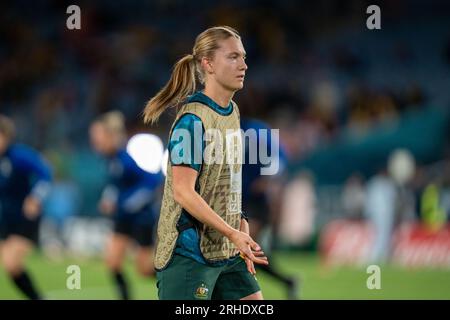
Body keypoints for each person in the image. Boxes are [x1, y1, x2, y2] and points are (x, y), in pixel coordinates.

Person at [143, 26, 268, 300]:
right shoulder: (192, 122)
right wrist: (233, 233)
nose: (244, 65)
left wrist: (241, 226)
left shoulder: (232, 112)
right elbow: (183, 192)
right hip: (189, 253)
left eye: (244, 57)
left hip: (227, 251)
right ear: (208, 64)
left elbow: (228, 182)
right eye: (233, 57)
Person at [89, 111, 163, 300]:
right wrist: (109, 199)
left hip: (141, 219)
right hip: (123, 219)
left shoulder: (126, 159)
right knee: (113, 263)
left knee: (145, 270)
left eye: (98, 136)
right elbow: (117, 185)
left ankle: (181, 285)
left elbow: (152, 182)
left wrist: (123, 203)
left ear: (111, 136)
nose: (94, 141)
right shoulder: (110, 159)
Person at [241, 117, 299, 299]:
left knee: (244, 250)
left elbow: (280, 160)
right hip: (237, 202)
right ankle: (287, 281)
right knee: (248, 253)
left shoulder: (257, 131)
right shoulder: (222, 127)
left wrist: (267, 180)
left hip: (256, 203)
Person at [0, 114, 52, 300]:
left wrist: (35, 197)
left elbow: (45, 173)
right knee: (11, 269)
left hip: (25, 218)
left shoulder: (19, 155)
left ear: (6, 136)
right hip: (6, 220)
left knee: (12, 264)